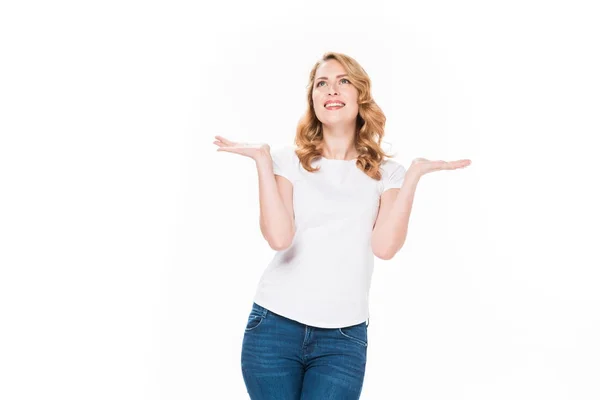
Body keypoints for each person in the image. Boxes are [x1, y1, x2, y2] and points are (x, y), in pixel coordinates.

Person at [213, 51, 471, 399]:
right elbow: (279, 237)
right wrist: (262, 160)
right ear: (314, 100)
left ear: (360, 95)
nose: (331, 89)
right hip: (273, 328)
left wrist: (412, 178)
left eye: (342, 81)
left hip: (342, 339)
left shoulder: (387, 174)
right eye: (322, 83)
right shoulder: (287, 161)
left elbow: (384, 248)